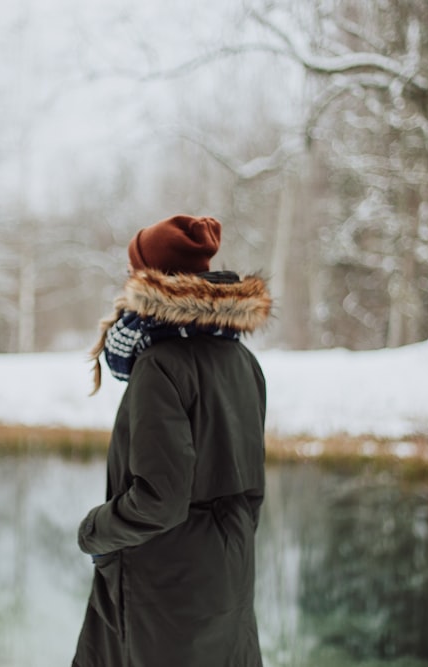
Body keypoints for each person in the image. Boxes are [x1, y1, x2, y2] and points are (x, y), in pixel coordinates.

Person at [72, 214, 271, 667]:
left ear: (149, 279)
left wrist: (94, 530)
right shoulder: (242, 359)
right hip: (227, 578)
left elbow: (160, 500)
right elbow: (250, 490)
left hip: (166, 591)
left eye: (132, 272)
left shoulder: (160, 363)